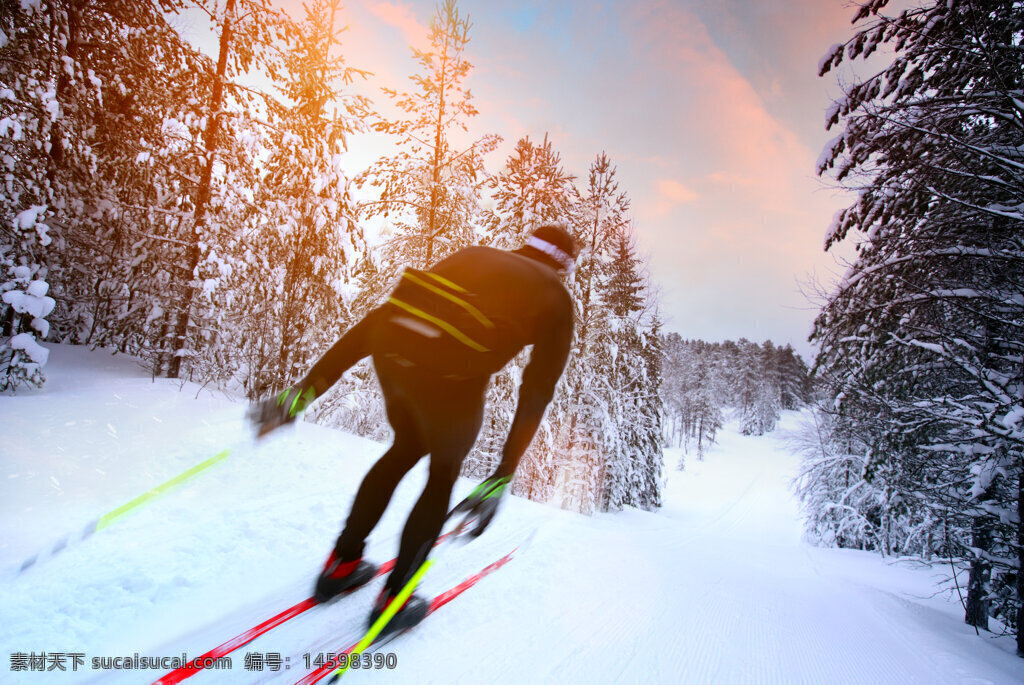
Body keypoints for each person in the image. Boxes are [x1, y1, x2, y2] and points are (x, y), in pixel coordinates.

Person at [249, 224, 577, 635]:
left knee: (404, 449)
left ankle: (341, 566)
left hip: (392, 352)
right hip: (453, 380)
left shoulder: (474, 254)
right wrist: (502, 473)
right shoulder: (556, 296)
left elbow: (385, 317)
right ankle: (395, 599)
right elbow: (536, 391)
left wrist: (300, 396)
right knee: (442, 473)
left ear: (525, 245)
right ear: (565, 267)